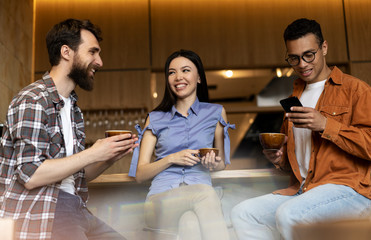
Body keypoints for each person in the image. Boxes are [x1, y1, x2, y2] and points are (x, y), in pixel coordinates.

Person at [231, 18, 371, 240]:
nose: (302, 64)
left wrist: (326, 125)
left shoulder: (357, 90)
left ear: (324, 48)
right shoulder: (293, 99)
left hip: (351, 191)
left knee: (290, 214)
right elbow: (298, 162)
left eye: (309, 55)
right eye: (294, 58)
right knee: (244, 213)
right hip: (304, 190)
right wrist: (278, 158)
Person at [0, 19, 138, 240]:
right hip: (45, 210)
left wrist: (109, 156)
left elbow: (76, 175)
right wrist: (93, 152)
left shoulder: (73, 109)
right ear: (66, 52)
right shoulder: (33, 99)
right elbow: (30, 174)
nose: (100, 62)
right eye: (93, 52)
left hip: (75, 206)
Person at [128, 49, 235, 240]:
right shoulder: (155, 118)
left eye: (185, 70)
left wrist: (211, 163)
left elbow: (222, 162)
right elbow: (140, 174)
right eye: (172, 72)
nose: (178, 77)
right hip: (160, 200)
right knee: (205, 193)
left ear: (199, 78)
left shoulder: (216, 113)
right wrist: (171, 158)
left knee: (190, 224)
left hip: (199, 200)